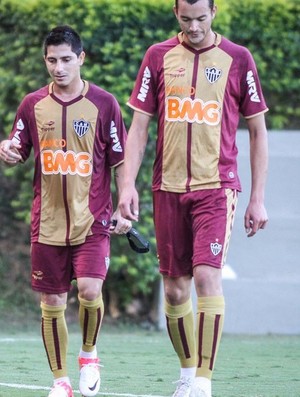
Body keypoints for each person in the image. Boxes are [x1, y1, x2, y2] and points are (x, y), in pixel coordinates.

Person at [118, 1, 268, 396]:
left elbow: (258, 131)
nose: (195, 26)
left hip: (216, 187)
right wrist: (127, 184)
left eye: (201, 18)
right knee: (174, 290)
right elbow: (138, 127)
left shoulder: (238, 58)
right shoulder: (158, 56)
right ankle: (186, 373)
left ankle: (203, 381)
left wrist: (258, 198)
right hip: (167, 187)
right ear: (175, 12)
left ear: (214, 11)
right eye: (186, 19)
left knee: (206, 277)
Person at [0, 25, 131, 397]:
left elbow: (121, 160)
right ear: (45, 61)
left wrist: (125, 201)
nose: (59, 67)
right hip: (48, 222)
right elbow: (17, 150)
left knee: (90, 290)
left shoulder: (105, 104)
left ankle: (89, 355)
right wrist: (6, 150)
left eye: (66, 59)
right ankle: (60, 382)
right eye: (52, 60)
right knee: (52, 302)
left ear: (81, 59)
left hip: (93, 219)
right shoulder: (32, 104)